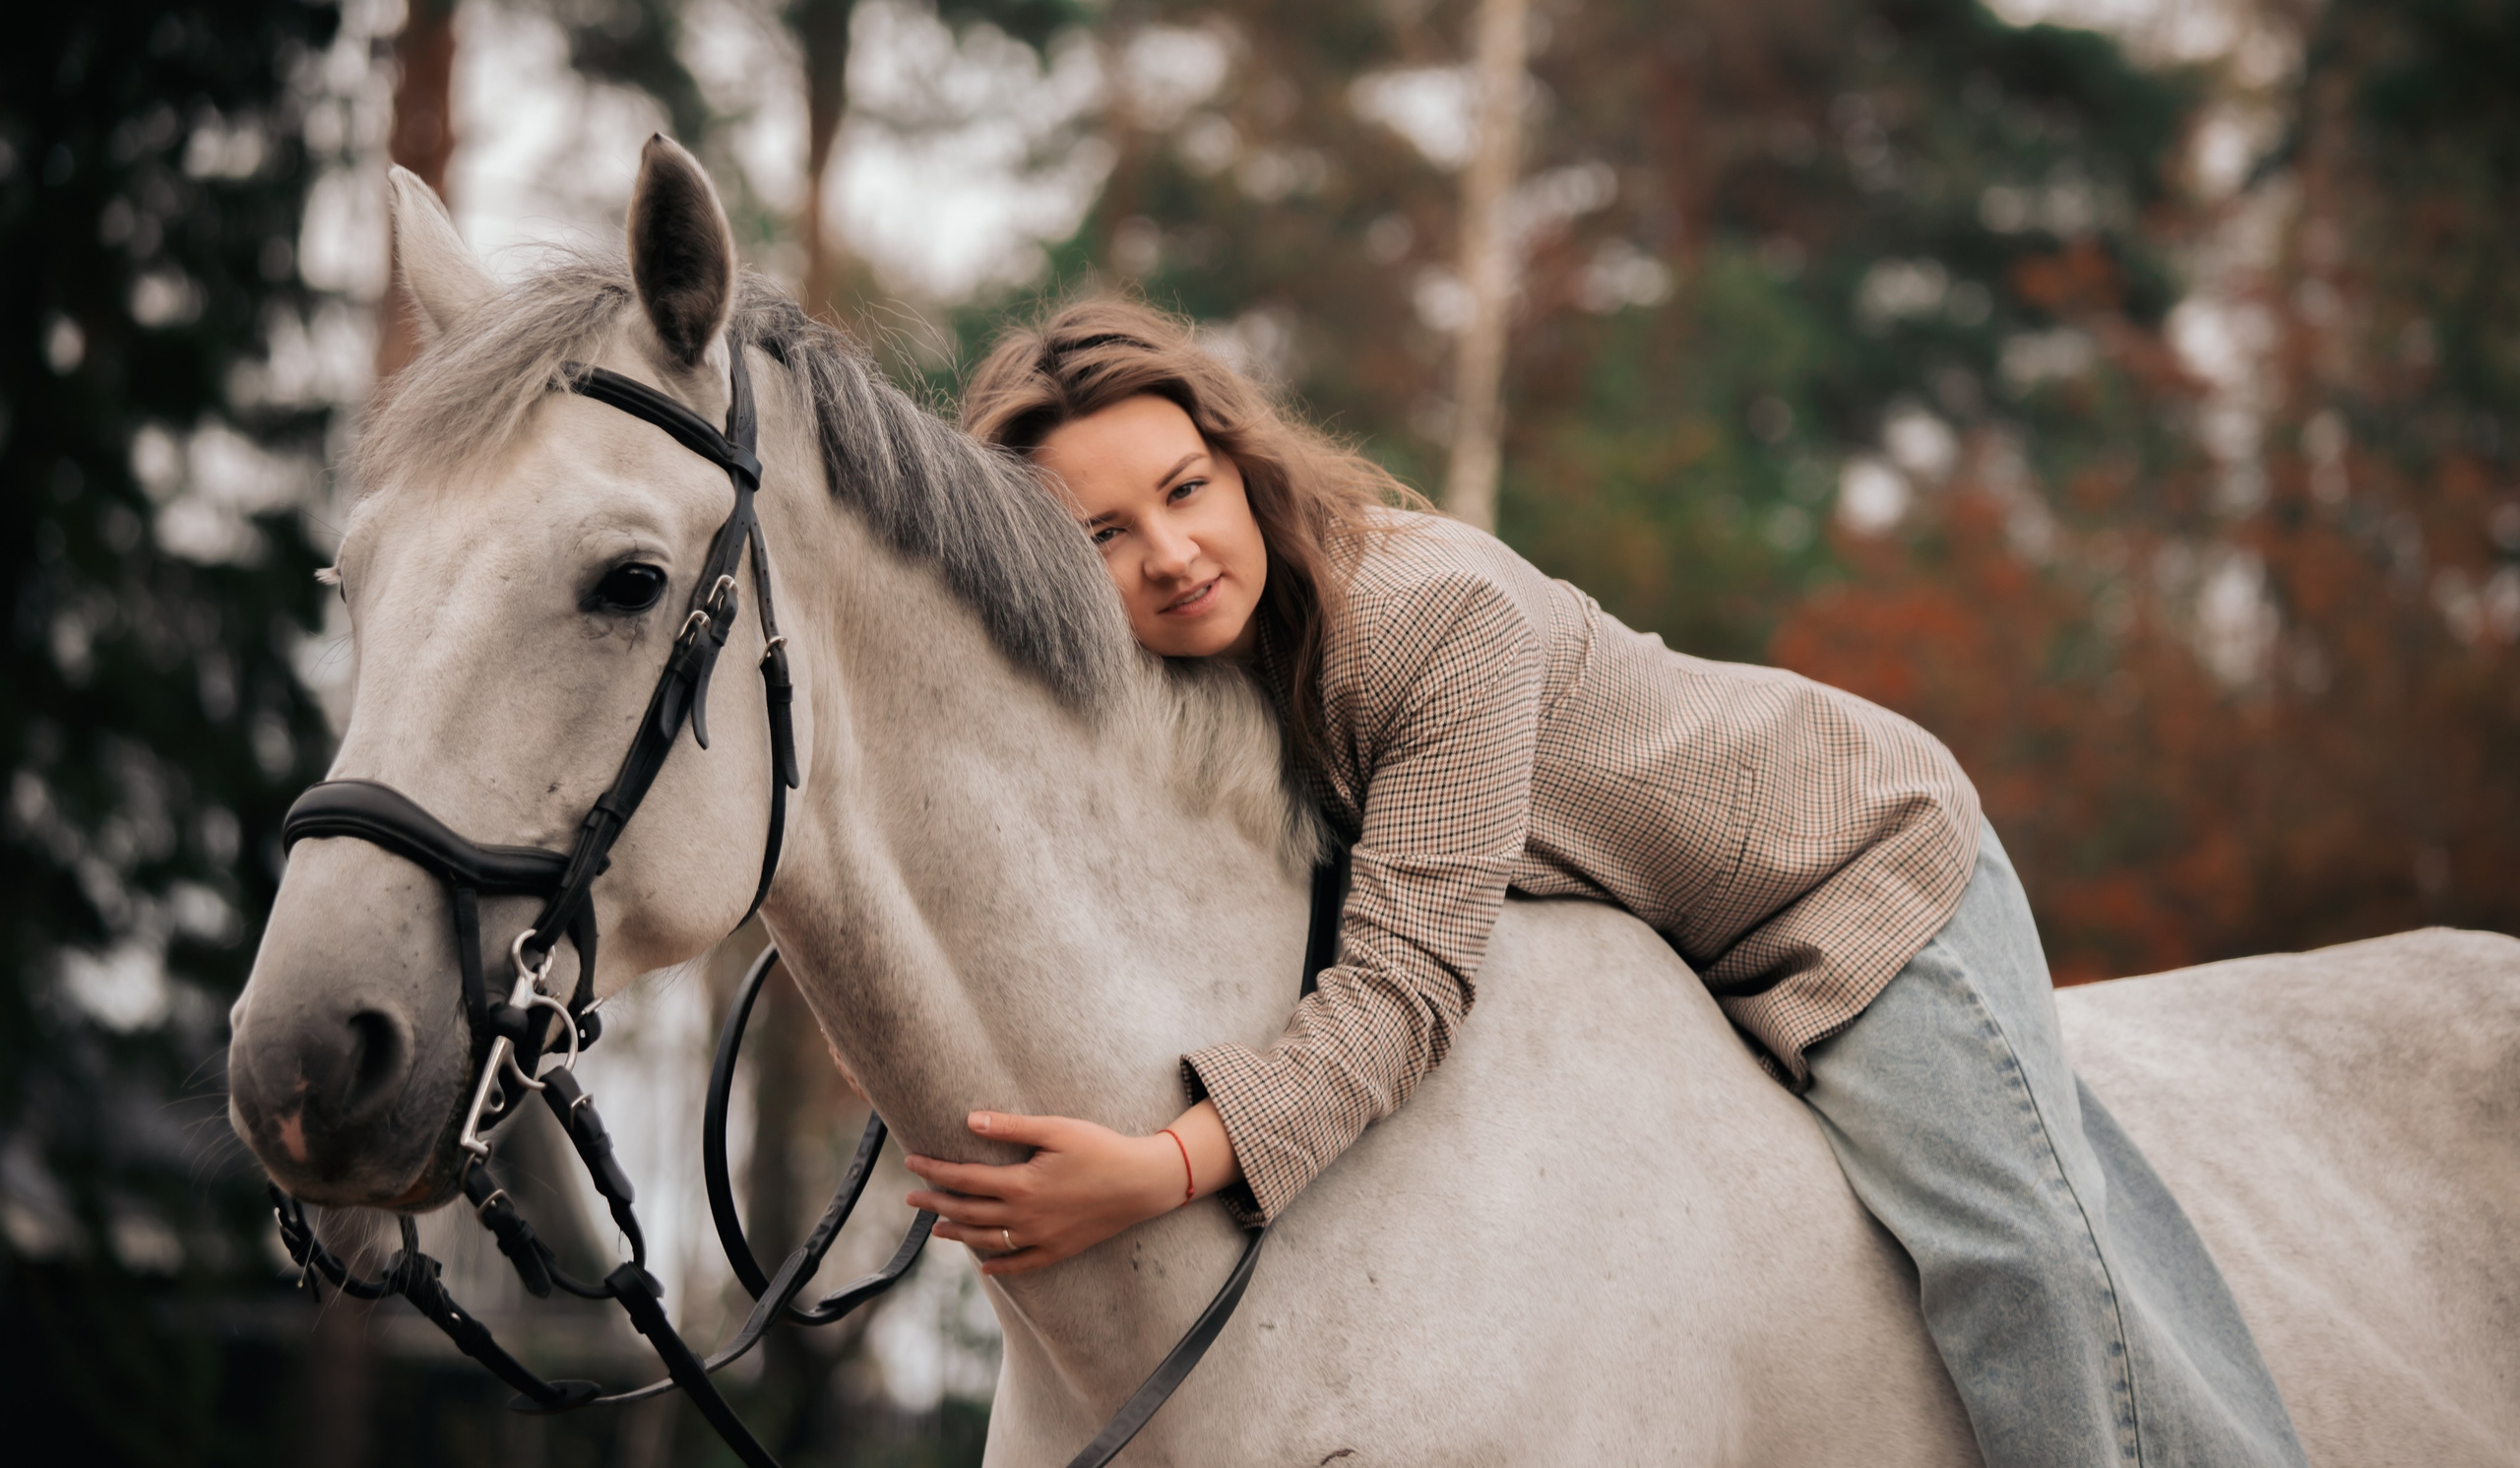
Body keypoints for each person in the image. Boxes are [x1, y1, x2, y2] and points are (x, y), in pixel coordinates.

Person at [902, 298, 2307, 1468]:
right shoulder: (1185, 678)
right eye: (1100, 535)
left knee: (2023, 1267)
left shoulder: (1420, 619)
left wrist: (1162, 1169)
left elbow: (1404, 983)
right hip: (1659, 944)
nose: (1171, 554)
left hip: (1845, 876)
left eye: (1184, 491)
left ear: (1238, 462)